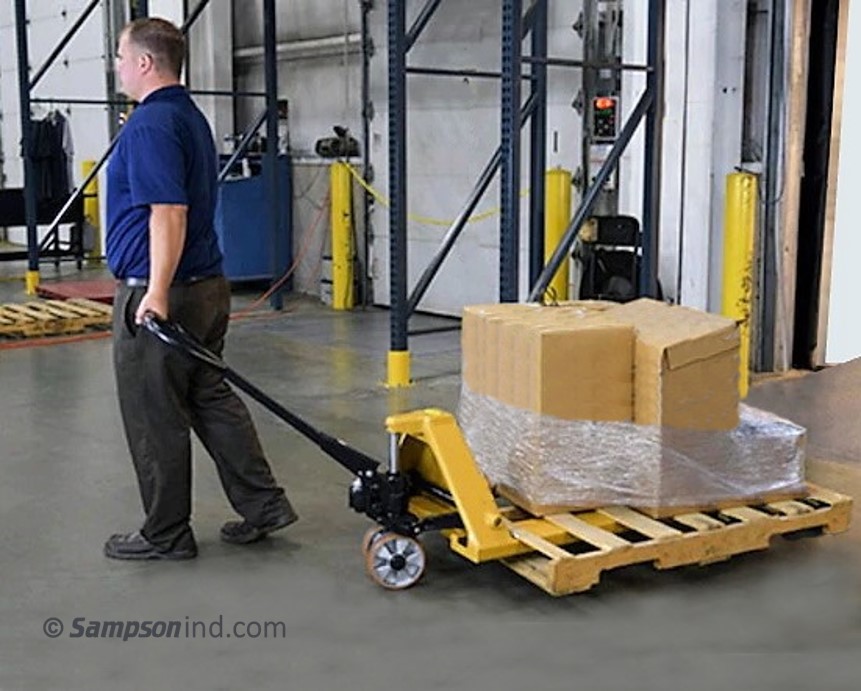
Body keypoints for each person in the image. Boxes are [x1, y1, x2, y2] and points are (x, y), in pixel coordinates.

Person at [104, 17, 296, 560]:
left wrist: (156, 293)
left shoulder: (149, 125)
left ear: (144, 62)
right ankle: (264, 505)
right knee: (210, 397)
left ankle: (165, 533)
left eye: (121, 56)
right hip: (209, 285)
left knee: (153, 412)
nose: (116, 65)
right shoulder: (186, 115)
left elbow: (167, 211)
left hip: (162, 289)